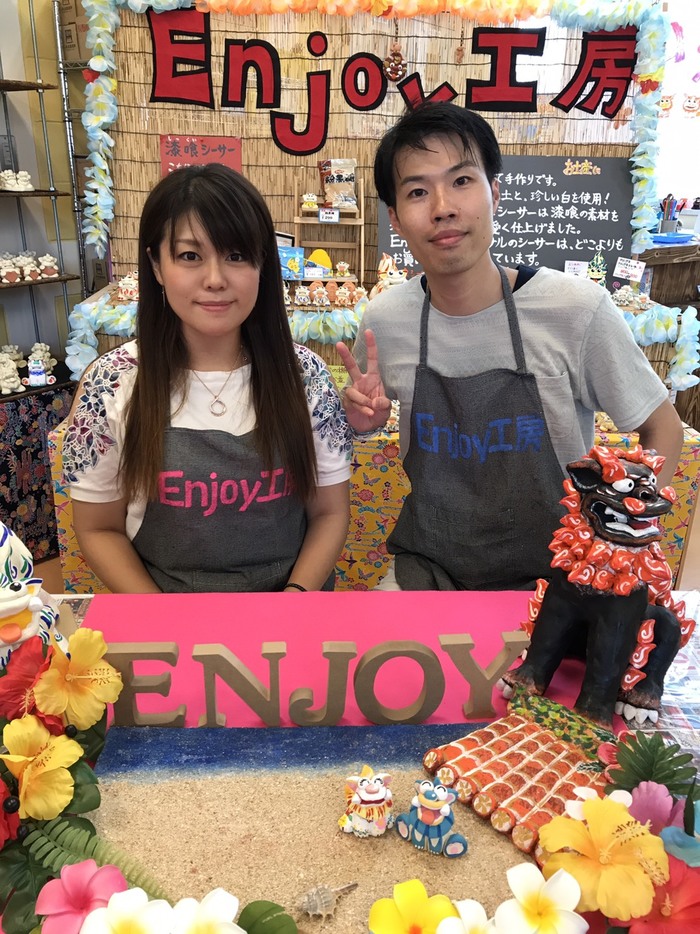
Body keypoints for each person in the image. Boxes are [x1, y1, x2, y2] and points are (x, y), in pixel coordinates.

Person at [337, 102, 683, 591]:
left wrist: (618, 532)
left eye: (461, 180)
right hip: (429, 567)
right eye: (418, 191)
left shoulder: (576, 309)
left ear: (494, 193)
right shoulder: (385, 320)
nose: (443, 207)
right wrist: (361, 423)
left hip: (563, 572)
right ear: (395, 218)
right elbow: (359, 421)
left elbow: (663, 427)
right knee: (378, 640)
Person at [64, 164, 351, 593]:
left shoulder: (306, 376)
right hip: (164, 615)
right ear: (156, 266)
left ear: (263, 264)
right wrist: (167, 618)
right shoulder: (112, 382)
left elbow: (329, 513)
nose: (215, 280)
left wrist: (293, 604)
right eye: (190, 256)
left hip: (293, 612)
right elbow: (98, 528)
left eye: (236, 256)